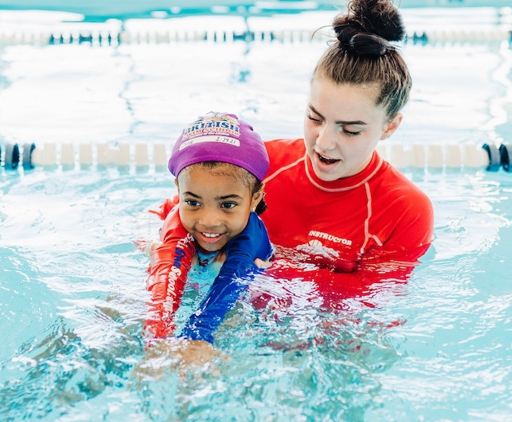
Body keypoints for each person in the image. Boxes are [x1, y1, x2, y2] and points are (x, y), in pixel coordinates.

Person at [151, 0, 433, 342]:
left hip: (321, 335)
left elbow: (375, 295)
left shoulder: (404, 210)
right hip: (231, 314)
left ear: (390, 126)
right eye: (315, 118)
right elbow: (172, 214)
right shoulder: (262, 165)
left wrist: (264, 271)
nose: (324, 142)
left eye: (350, 130)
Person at [143, 112, 273, 344]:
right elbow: (160, 295)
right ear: (179, 190)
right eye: (193, 202)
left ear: (255, 198)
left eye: (228, 205)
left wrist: (197, 339)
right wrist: (155, 342)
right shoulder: (172, 226)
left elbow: (229, 287)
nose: (209, 220)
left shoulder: (251, 247)